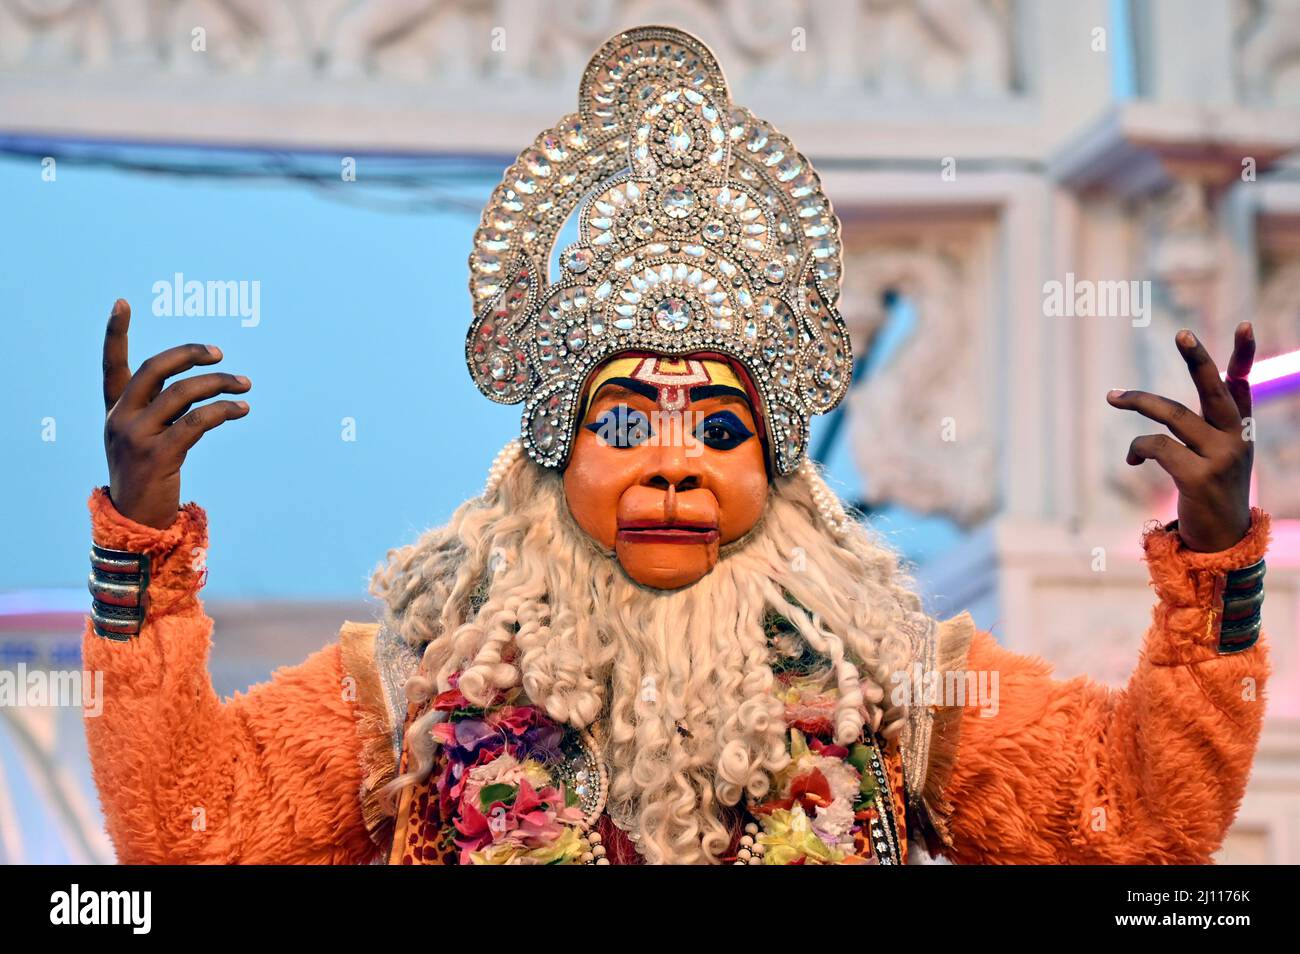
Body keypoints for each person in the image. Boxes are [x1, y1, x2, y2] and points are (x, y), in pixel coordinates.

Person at [84, 26, 1270, 865]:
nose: (673, 463)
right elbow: (196, 834)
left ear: (775, 472)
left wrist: (1215, 575)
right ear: (551, 458)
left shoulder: (897, 684)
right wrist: (137, 556)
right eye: (622, 424)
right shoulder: (413, 681)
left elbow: (1131, 829)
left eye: (717, 427)